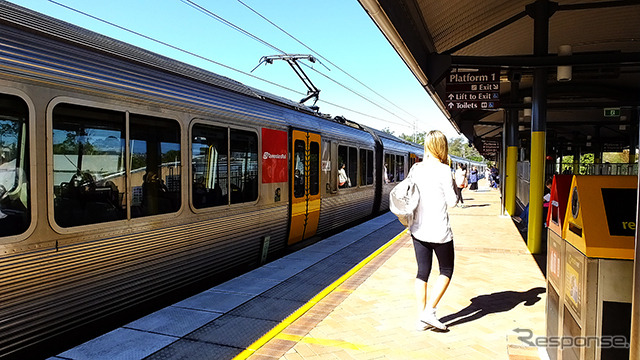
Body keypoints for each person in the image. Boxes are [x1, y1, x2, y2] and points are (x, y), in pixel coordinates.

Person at [408, 130, 458, 331]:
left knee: (422, 272)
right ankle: (430, 312)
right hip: (439, 230)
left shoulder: (416, 168)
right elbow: (452, 202)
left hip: (418, 229)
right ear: (442, 147)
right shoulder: (444, 170)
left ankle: (422, 319)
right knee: (446, 270)